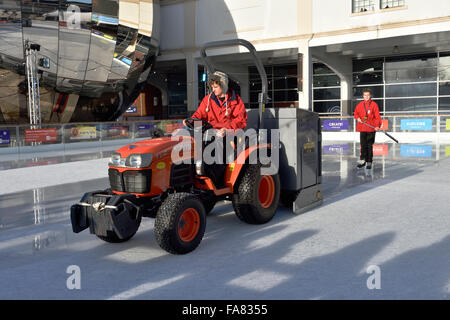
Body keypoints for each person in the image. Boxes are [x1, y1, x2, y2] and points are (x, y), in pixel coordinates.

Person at [183, 71, 248, 186]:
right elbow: (199, 115)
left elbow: (241, 120)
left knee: (215, 146)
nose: (213, 90)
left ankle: (215, 178)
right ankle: (195, 173)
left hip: (229, 134)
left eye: (216, 87)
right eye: (212, 87)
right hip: (211, 132)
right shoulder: (208, 100)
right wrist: (190, 121)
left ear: (223, 85)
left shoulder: (235, 101)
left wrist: (225, 129)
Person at [354, 88, 381, 170]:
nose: (366, 96)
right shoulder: (360, 105)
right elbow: (356, 113)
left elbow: (377, 117)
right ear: (363, 96)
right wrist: (357, 118)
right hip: (362, 128)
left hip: (371, 128)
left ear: (370, 96)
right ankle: (362, 160)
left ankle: (369, 161)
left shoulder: (374, 105)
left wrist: (377, 125)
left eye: (368, 95)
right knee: (363, 145)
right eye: (365, 95)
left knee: (369, 145)